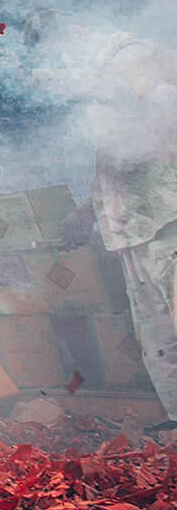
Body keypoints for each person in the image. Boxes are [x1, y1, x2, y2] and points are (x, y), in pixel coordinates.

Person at [86, 31, 177, 419]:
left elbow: (141, 152)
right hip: (131, 236)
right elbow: (105, 177)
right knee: (157, 334)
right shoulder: (115, 113)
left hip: (165, 227)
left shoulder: (166, 102)